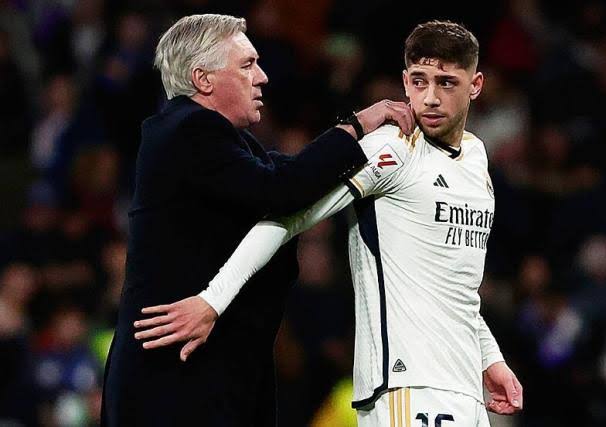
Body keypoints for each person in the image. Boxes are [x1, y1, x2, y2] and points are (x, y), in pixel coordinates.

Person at [135, 20, 524, 426]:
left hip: (464, 386)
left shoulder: (477, 159)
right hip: (407, 385)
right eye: (419, 81)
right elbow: (287, 217)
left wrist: (489, 359)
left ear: (475, 85)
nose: (429, 98)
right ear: (404, 81)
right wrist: (212, 300)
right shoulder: (391, 147)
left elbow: (454, 284)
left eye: (446, 83)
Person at [101, 14, 414, 427]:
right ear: (203, 79)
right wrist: (358, 126)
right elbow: (281, 191)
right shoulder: (186, 131)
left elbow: (293, 175)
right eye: (247, 65)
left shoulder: (222, 139)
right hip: (176, 380)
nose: (262, 77)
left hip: (214, 374)